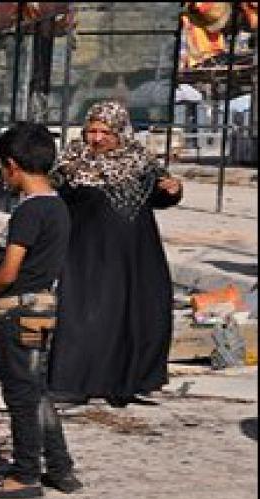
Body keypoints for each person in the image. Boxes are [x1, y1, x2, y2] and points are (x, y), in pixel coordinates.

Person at [0, 122, 81, 499]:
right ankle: (61, 466)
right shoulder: (59, 207)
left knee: (21, 395)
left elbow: (9, 271)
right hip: (44, 307)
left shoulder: (28, 212)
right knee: (37, 391)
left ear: (12, 165)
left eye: (2, 167)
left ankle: (25, 472)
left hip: (17, 312)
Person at [48, 100, 183, 407]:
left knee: (137, 314)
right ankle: (77, 383)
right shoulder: (71, 161)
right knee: (86, 315)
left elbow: (161, 195)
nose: (96, 138)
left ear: (120, 131)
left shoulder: (140, 160)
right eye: (91, 131)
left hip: (136, 253)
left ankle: (126, 383)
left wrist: (174, 189)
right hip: (88, 253)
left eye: (104, 132)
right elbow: (53, 195)